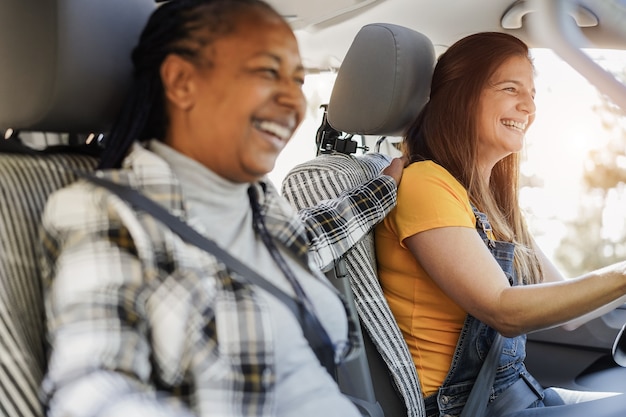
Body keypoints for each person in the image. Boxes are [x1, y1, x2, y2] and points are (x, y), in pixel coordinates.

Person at [39, 1, 405, 416]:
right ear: (181, 81)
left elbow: (305, 242)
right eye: (268, 72)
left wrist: (385, 185)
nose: (292, 101)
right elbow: (93, 393)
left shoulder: (256, 198)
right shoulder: (106, 211)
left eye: (298, 80)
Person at [375, 31, 626, 417]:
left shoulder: (491, 200)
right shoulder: (425, 183)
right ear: (461, 97)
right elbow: (504, 311)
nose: (528, 107)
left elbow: (571, 314)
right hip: (464, 408)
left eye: (532, 94)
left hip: (515, 393)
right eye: (511, 88)